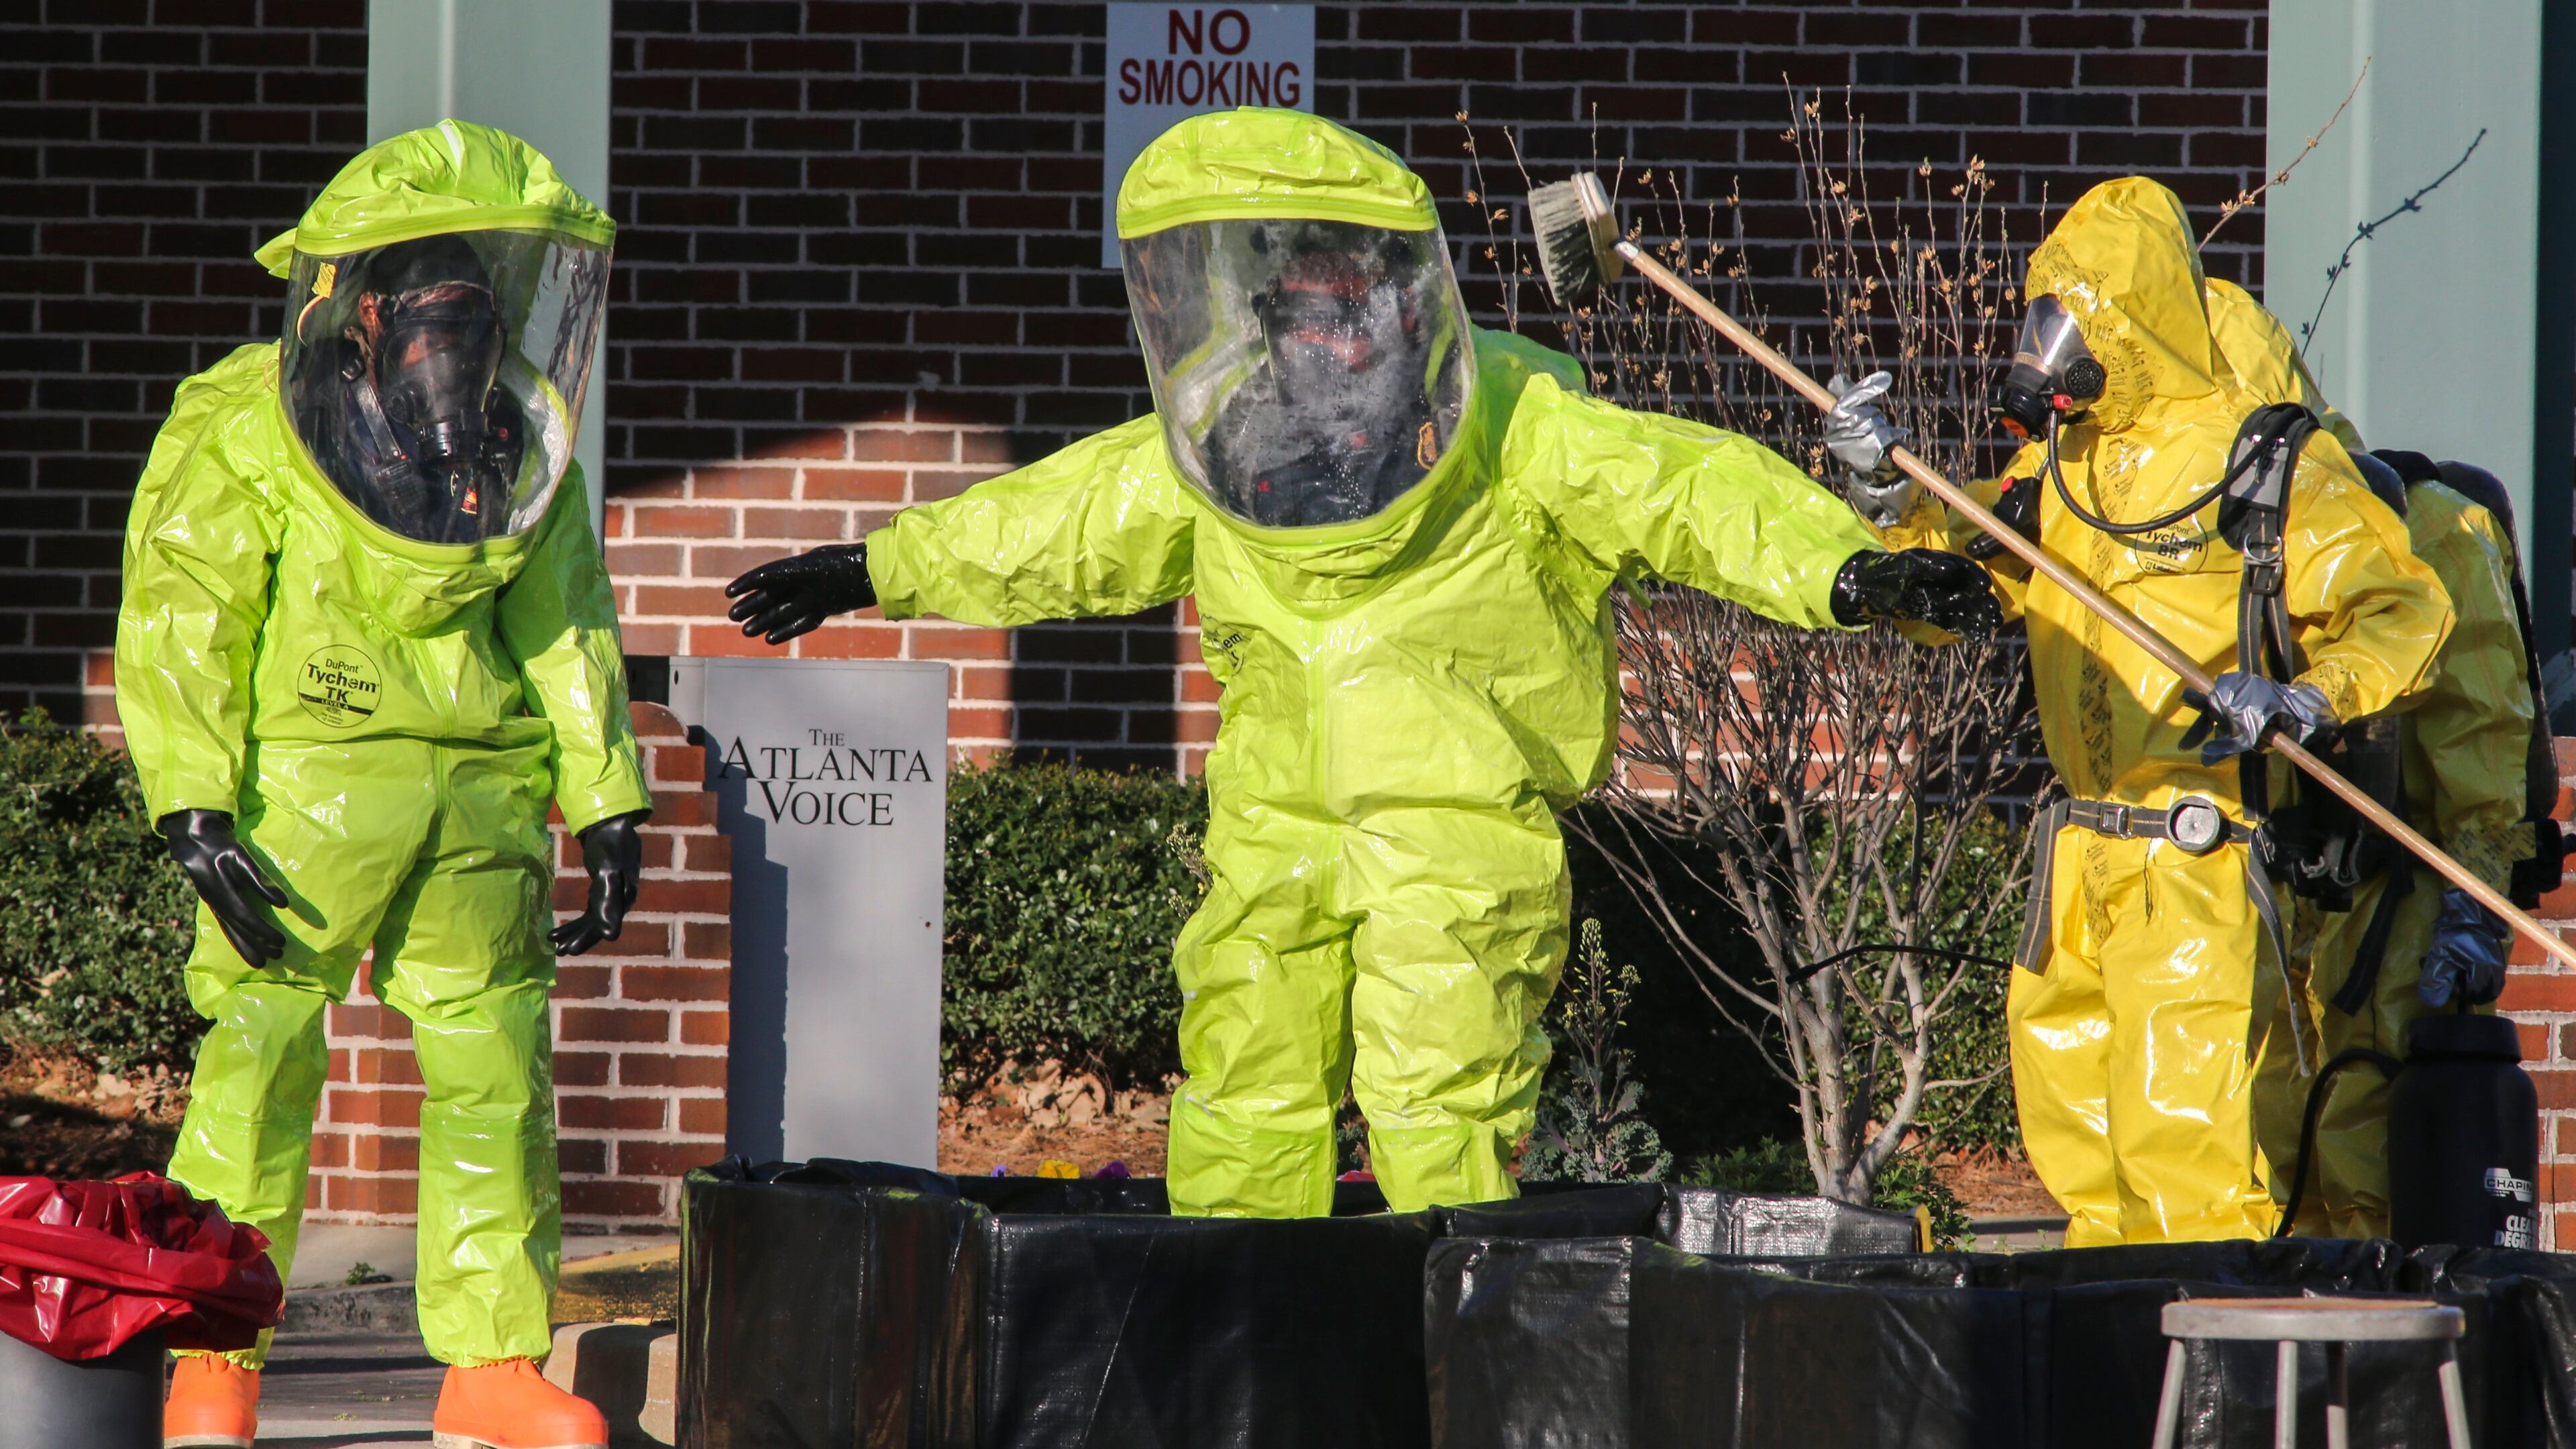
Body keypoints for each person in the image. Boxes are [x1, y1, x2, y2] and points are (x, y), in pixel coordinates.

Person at [723, 107, 1999, 1219]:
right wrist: (877, 568)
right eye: (1305, 314)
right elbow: (1065, 520)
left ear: (1402, 306)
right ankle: (1241, 1339)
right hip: (1274, 820)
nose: (1329, 344)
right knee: (1246, 1077)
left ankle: (1444, 1344)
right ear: (1267, 316)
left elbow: (1680, 490)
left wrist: (1850, 573)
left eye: (1350, 313)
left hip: (1456, 819)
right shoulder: (1225, 440)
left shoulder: (1512, 423)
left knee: (1442, 1090)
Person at [121, 119, 646, 1449]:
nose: (452, 346)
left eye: (471, 313)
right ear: (359, 313)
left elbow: (563, 617)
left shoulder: (518, 434)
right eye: (428, 315)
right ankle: (211, 1361)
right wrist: (192, 797)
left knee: (497, 1071)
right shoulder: (248, 419)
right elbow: (189, 608)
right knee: (258, 1055)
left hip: (478, 786)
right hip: (307, 785)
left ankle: (492, 1367)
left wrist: (605, 793)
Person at [1841, 176, 2451, 1244]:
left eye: (2078, 312)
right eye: (2047, 311)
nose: (2052, 342)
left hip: (2194, 859)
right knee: (2087, 1168)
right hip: (2080, 857)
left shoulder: (2259, 458)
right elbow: (1963, 581)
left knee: (2191, 1175)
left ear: (2133, 317)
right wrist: (1889, 503)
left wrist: (2307, 695)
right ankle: (2108, 1342)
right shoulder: (2062, 468)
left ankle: (2201, 1349)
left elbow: (2401, 606)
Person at [2202, 280, 2540, 1238]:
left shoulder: (2428, 527)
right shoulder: (2228, 541)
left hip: (2403, 897)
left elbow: (2484, 738)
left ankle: (2394, 1332)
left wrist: (2474, 909)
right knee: (2277, 1158)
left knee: (2379, 1159)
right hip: (2289, 897)